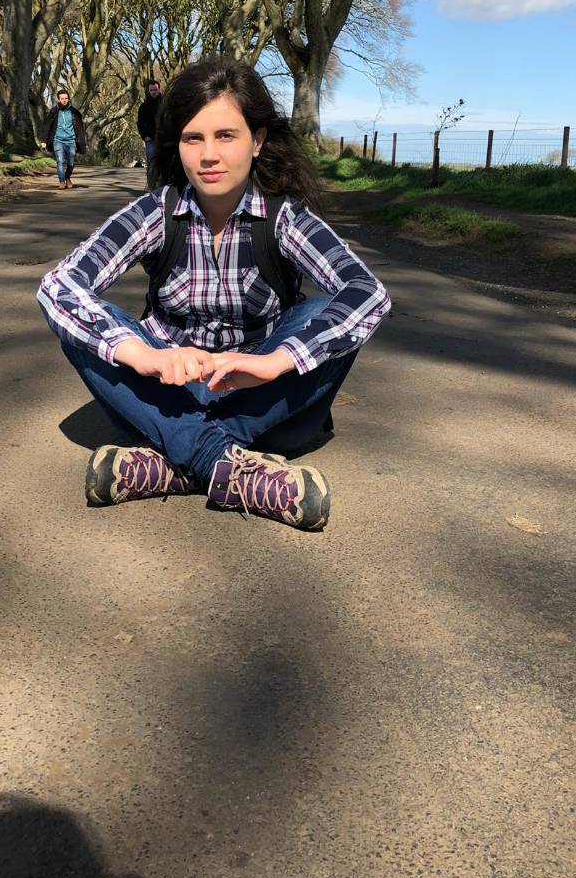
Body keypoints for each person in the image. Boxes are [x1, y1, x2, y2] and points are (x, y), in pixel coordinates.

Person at [37, 58, 391, 531]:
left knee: (331, 313)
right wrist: (141, 353)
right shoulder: (153, 212)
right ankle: (226, 464)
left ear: (257, 141)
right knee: (81, 325)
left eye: (226, 136)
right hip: (163, 396)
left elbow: (367, 292)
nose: (209, 155)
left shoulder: (283, 218)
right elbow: (59, 286)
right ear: (177, 146)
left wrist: (275, 361)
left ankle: (176, 462)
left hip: (262, 401)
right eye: (192, 138)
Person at [40, 89, 87, 189]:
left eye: (66, 98)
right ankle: (62, 181)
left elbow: (79, 128)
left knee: (71, 163)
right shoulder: (54, 111)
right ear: (58, 99)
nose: (64, 100)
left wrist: (80, 141)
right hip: (58, 140)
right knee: (60, 161)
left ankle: (67, 177)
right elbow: (47, 126)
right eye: (62, 98)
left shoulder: (74, 112)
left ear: (69, 99)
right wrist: (44, 141)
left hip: (71, 141)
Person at [136, 79, 162, 169]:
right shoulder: (144, 106)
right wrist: (144, 136)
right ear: (148, 91)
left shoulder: (165, 105)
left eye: (155, 90)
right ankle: (151, 181)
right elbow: (140, 123)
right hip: (150, 139)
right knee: (151, 162)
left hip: (164, 138)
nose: (153, 92)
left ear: (159, 90)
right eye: (151, 90)